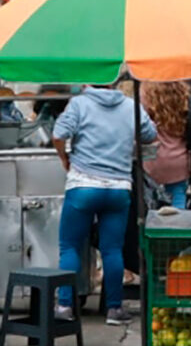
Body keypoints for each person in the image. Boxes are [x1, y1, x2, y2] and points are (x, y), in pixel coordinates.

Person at [52, 82, 157, 326]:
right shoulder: (131, 106)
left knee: (70, 247)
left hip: (83, 186)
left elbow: (58, 135)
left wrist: (64, 158)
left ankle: (65, 306)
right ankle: (114, 309)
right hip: (118, 188)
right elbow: (150, 135)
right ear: (113, 82)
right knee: (112, 250)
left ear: (89, 81)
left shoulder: (79, 103)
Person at [141, 82, 191, 209]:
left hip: (153, 160)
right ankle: (177, 226)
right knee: (178, 196)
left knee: (148, 200)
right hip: (180, 161)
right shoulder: (186, 97)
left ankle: (153, 227)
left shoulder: (146, 96)